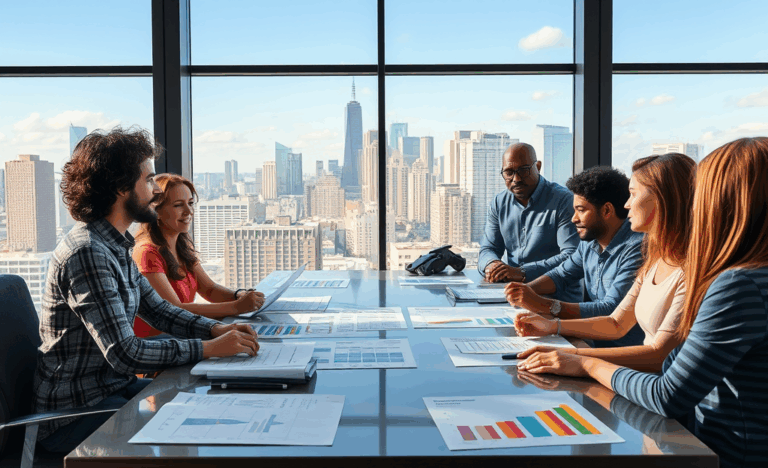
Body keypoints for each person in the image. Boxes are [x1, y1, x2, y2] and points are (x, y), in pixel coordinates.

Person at [516, 137, 768, 468]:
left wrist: (585, 362)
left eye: (702, 195)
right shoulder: (739, 275)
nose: (695, 207)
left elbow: (668, 393)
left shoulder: (737, 284)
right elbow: (619, 321)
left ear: (722, 203)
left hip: (721, 455)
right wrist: (556, 328)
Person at [33, 127, 260, 454]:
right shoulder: (88, 254)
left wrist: (216, 329)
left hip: (113, 395)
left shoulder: (114, 246)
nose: (156, 190)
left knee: (213, 406)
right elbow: (125, 353)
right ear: (121, 188)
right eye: (149, 180)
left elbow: (158, 309)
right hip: (76, 416)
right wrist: (208, 348)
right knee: (197, 433)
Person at [514, 153, 696, 371]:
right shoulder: (656, 259)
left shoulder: (682, 267)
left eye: (633, 194)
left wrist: (572, 355)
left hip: (644, 379)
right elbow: (616, 323)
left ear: (661, 200)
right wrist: (552, 325)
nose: (627, 204)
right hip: (628, 373)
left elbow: (658, 355)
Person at [505, 166, 645, 347]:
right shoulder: (589, 242)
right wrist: (525, 292)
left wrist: (542, 304)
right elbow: (561, 275)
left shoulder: (637, 248)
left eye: (581, 210)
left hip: (623, 354)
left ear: (607, 211)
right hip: (591, 343)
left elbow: (611, 309)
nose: (574, 219)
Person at [132, 173, 264, 338]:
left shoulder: (182, 245)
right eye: (178, 205)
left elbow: (209, 289)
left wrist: (238, 295)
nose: (189, 211)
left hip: (182, 335)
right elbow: (174, 310)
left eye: (191, 203)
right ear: (156, 211)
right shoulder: (146, 253)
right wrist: (237, 307)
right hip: (159, 342)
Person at [478, 143, 581, 302]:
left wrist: (521, 272)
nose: (516, 179)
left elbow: (572, 256)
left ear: (538, 166)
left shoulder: (563, 201)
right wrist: (492, 265)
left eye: (523, 170)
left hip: (557, 300)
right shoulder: (499, 202)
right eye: (509, 172)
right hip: (513, 297)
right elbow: (488, 248)